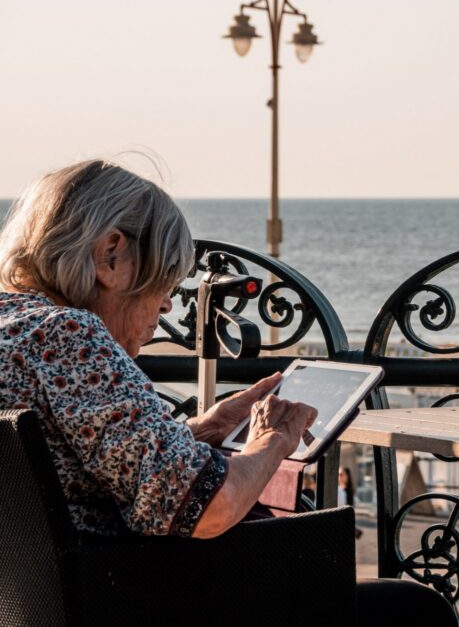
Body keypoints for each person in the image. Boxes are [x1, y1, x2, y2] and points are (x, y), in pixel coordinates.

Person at [0, 159, 318, 538]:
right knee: (395, 598)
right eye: (166, 277)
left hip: (29, 596)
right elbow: (210, 507)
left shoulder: (16, 328)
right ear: (111, 254)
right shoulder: (68, 335)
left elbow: (78, 457)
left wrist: (205, 429)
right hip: (117, 592)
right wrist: (273, 439)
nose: (167, 303)